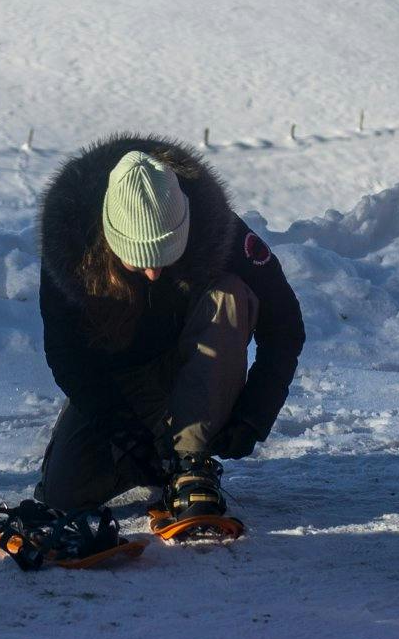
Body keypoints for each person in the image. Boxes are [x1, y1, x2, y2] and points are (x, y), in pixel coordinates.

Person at [34, 134, 305, 524]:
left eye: (166, 256)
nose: (153, 272)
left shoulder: (220, 229)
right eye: (137, 261)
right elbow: (67, 356)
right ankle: (161, 446)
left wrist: (254, 415)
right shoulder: (71, 250)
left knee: (230, 294)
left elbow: (284, 325)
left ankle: (189, 456)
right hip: (123, 378)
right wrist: (121, 430)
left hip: (197, 366)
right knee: (65, 494)